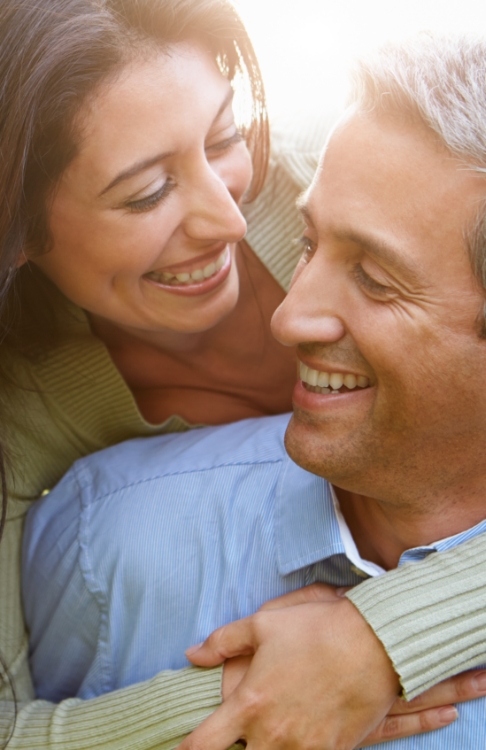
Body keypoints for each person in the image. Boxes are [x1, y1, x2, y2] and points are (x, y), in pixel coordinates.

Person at [0, 0, 484, 743]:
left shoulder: (368, 156)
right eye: (147, 193)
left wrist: (383, 640)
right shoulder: (35, 448)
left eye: (226, 137)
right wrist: (254, 697)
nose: (230, 217)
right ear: (22, 229)